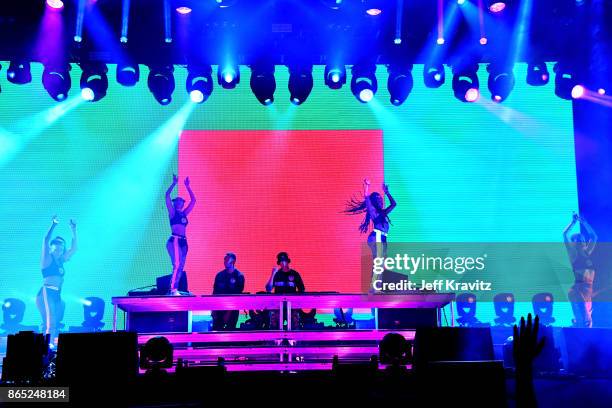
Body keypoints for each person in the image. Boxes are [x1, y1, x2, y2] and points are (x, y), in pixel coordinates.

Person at [36, 215, 77, 347]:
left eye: (61, 249)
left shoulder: (60, 260)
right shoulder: (47, 259)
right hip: (46, 292)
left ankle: (50, 344)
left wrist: (73, 230)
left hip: (56, 294)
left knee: (57, 319)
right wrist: (53, 224)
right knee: (51, 321)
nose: (59, 251)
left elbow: (74, 249)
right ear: (51, 248)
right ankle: (48, 349)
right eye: (57, 248)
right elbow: (46, 239)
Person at [345, 179, 397, 260]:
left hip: (382, 237)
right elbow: (367, 198)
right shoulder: (373, 211)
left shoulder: (383, 212)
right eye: (378, 198)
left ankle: (379, 272)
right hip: (377, 236)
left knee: (381, 260)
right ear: (374, 201)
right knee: (378, 261)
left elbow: (393, 204)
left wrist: (387, 193)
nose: (380, 200)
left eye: (380, 198)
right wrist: (367, 185)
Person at [563, 212, 597, 328]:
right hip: (578, 292)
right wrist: (573, 222)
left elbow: (593, 237)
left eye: (581, 238)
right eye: (577, 239)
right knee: (585, 323)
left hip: (588, 293)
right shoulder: (573, 254)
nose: (580, 240)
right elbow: (565, 234)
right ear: (573, 243)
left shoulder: (587, 252)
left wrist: (584, 222)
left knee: (587, 324)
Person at [165, 174, 196, 296]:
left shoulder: (184, 213)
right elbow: (167, 196)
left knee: (181, 266)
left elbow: (193, 201)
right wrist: (173, 183)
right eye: (177, 201)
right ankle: (172, 290)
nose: (179, 203)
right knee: (177, 264)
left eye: (181, 201)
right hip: (175, 240)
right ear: (174, 203)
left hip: (183, 241)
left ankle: (175, 288)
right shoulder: (172, 213)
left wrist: (188, 187)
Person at [265, 252, 305, 329]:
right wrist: (273, 274)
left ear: (288, 261)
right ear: (278, 262)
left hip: (292, 306)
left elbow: (302, 290)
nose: (283, 262)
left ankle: (295, 340)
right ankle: (275, 340)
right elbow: (268, 289)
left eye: (285, 260)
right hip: (278, 306)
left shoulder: (295, 274)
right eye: (281, 261)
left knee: (295, 326)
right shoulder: (276, 274)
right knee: (274, 325)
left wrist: (296, 303)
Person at [212, 253, 245, 331]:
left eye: (227, 259)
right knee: (216, 331)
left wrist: (228, 313)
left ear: (233, 261)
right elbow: (214, 293)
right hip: (219, 309)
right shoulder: (219, 275)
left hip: (232, 311)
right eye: (224, 259)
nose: (225, 261)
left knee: (230, 332)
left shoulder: (239, 276)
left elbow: (237, 297)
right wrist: (213, 310)